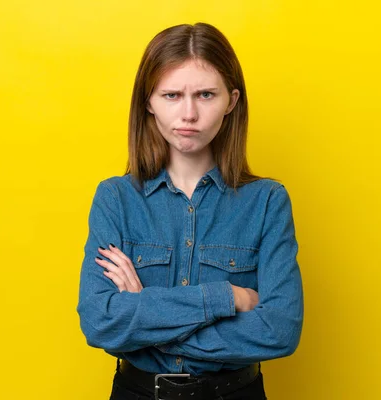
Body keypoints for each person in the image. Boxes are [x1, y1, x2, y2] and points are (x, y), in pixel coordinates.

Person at [77, 22, 303, 400]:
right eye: (171, 95)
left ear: (231, 101)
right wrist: (227, 297)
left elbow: (279, 330)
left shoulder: (267, 201)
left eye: (205, 94)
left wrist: (142, 316)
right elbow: (100, 322)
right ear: (148, 101)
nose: (189, 114)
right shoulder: (115, 199)